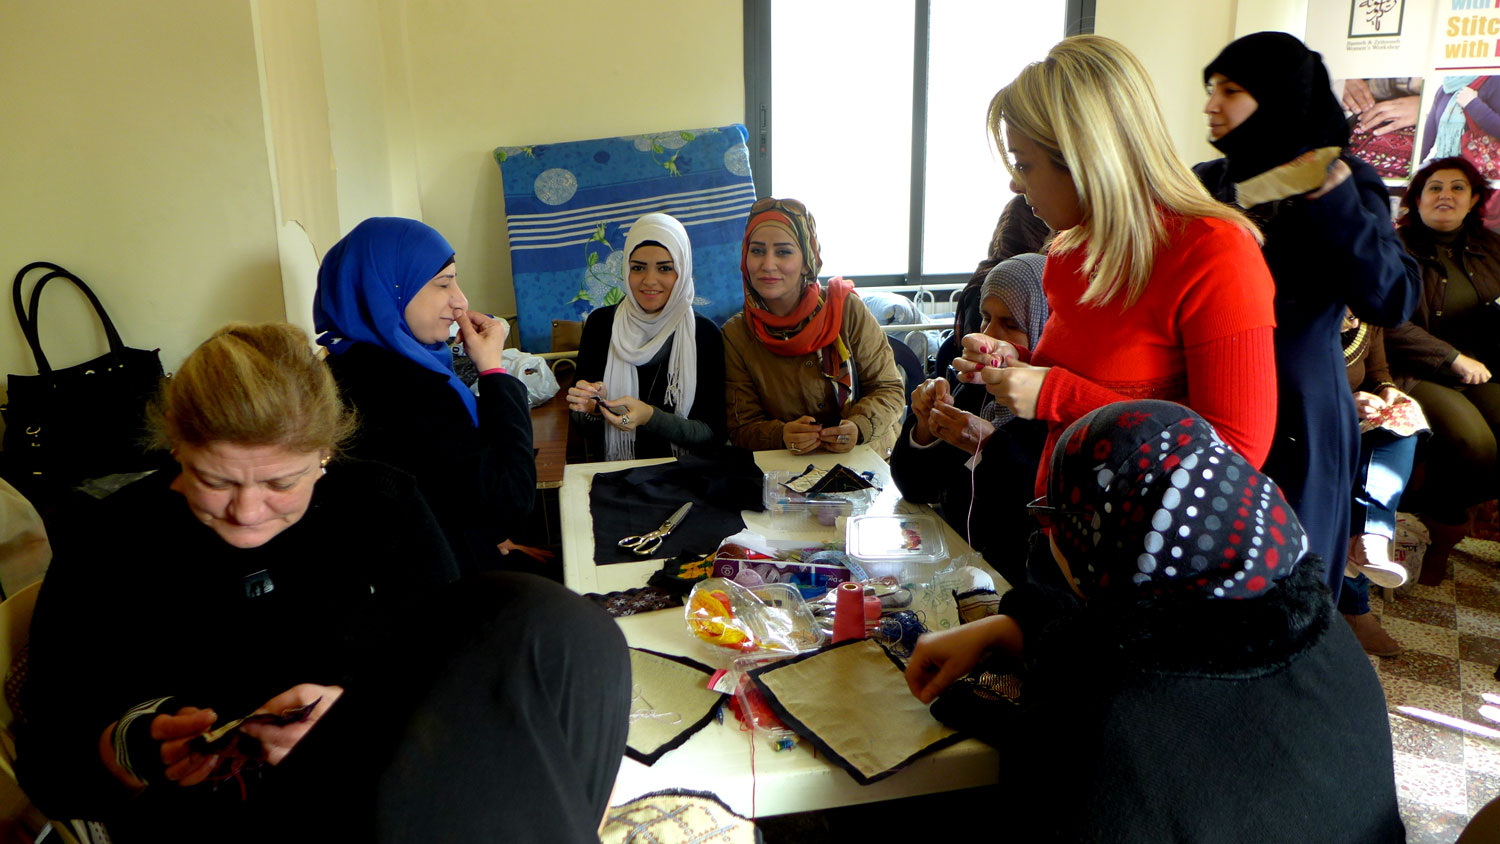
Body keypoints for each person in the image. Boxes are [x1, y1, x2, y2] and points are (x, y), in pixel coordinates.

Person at [17, 323, 629, 844]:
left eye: (282, 484)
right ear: (176, 447)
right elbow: (49, 768)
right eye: (216, 481)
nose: (247, 512)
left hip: (384, 792)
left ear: (327, 454)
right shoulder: (107, 544)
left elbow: (452, 680)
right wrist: (127, 751)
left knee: (557, 624)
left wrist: (363, 726)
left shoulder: (381, 504)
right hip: (210, 827)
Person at [904, 401, 1404, 843]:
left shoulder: (1104, 729)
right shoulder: (1316, 628)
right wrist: (1008, 626)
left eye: (1053, 514)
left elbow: (1076, 756)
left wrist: (983, 710)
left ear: (1096, 540)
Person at [953, 35, 1278, 501]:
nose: (1013, 182)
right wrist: (1013, 366)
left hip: (1148, 554)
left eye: (1024, 164)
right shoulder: (1069, 251)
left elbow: (1235, 452)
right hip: (1065, 529)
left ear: (1084, 161)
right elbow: (1088, 380)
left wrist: (1052, 393)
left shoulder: (1215, 254)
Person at [1195, 32, 1422, 603]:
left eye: (1232, 90)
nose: (1211, 104)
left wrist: (1338, 207)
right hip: (1210, 398)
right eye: (1211, 88)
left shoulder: (1342, 179)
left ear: (1278, 98)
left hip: (1301, 412)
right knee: (1210, 568)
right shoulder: (1208, 182)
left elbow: (1391, 299)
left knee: (1290, 582)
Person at [313, 217, 537, 575]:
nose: (460, 301)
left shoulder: (338, 368)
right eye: (443, 283)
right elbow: (511, 498)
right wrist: (493, 371)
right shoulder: (408, 387)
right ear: (385, 288)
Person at [890, 254, 1049, 586]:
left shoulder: (1058, 416)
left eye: (1011, 324)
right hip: (953, 569)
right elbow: (915, 487)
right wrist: (924, 426)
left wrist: (992, 445)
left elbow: (1035, 517)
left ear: (1045, 326)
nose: (989, 335)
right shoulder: (977, 391)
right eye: (986, 318)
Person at [1386, 155, 1500, 583]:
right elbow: (1385, 323)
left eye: (1457, 188)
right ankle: (1441, 527)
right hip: (1414, 371)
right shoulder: (1393, 248)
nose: (1445, 196)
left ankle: (1443, 524)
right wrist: (1451, 358)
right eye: (1434, 187)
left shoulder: (1492, 248)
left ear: (1474, 200)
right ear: (1416, 199)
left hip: (1482, 371)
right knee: (1474, 443)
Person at [722, 197, 906, 458]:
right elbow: (742, 427)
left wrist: (860, 426)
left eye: (783, 252)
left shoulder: (846, 310)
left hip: (866, 458)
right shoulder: (737, 334)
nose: (767, 264)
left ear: (807, 261)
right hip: (787, 472)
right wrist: (781, 435)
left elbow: (889, 389)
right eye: (757, 251)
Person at [566, 212, 725, 460]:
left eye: (665, 268)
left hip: (684, 477)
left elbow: (710, 434)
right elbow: (582, 426)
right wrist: (591, 409)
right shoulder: (601, 325)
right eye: (638, 268)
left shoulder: (704, 335)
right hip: (617, 476)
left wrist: (650, 417)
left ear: (682, 273)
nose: (649, 281)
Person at [1341, 309, 1421, 655]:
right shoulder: (1297, 312)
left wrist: (1387, 392)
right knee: (1350, 473)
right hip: (1297, 425)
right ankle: (1355, 605)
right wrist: (1344, 403)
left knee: (1405, 424)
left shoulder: (1368, 315)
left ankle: (1369, 536)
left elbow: (1377, 372)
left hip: (1348, 423)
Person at [1420, 76, 1500, 180]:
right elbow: (1426, 139)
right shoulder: (1445, 89)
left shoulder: (1494, 81)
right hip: (1447, 170)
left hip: (1482, 176)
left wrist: (1472, 104)